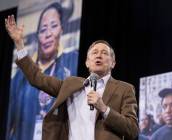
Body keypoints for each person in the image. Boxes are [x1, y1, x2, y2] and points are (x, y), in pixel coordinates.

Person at [5, 15, 138, 140]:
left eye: (104, 53)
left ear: (113, 63)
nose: (99, 55)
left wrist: (104, 109)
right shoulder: (71, 85)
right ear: (87, 62)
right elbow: (37, 78)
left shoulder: (124, 89)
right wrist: (19, 44)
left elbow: (132, 130)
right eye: (94, 53)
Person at [6, 2, 78, 140]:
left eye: (54, 26)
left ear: (62, 30)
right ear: (37, 35)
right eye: (43, 29)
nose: (48, 34)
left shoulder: (72, 63)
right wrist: (19, 44)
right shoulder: (21, 77)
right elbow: (9, 122)